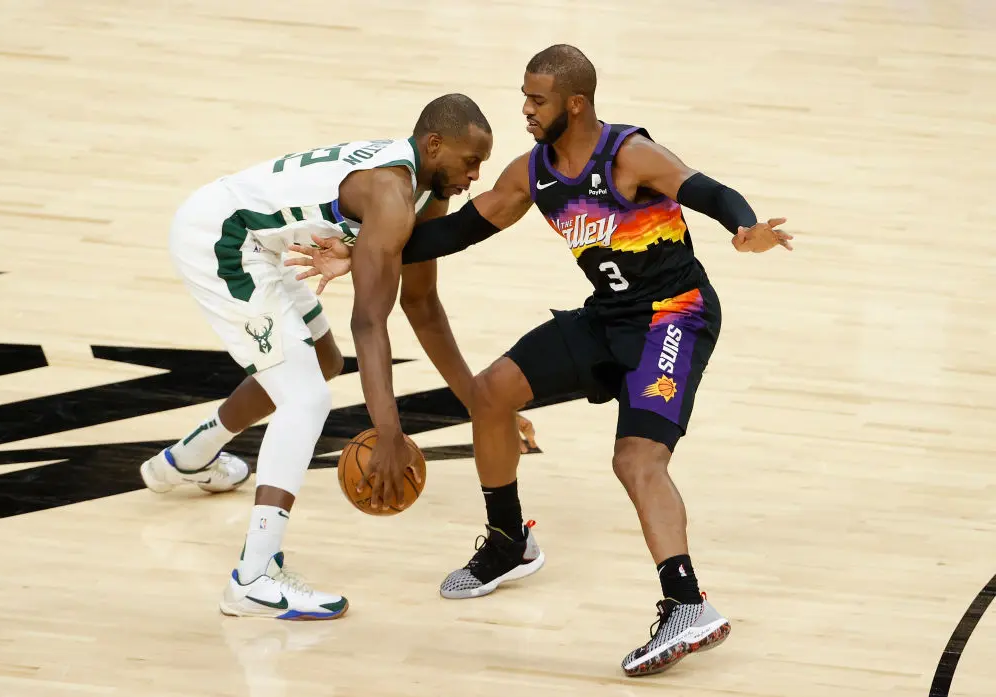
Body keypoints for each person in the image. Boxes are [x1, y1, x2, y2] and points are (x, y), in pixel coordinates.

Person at [286, 45, 793, 673]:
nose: (525, 110)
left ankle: (687, 604)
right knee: (492, 393)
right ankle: (508, 542)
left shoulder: (627, 153)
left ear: (574, 104)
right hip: (608, 317)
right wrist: (362, 246)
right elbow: (460, 230)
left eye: (537, 99)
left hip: (674, 315)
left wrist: (745, 229)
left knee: (636, 459)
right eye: (525, 96)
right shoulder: (533, 172)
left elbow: (708, 189)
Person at [139, 93, 537, 621]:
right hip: (223, 240)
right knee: (305, 397)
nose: (474, 176)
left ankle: (187, 459)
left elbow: (422, 305)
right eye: (470, 162)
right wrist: (388, 432)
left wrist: (480, 404)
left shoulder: (426, 191)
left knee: (320, 362)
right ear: (434, 145)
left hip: (270, 244)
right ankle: (255, 577)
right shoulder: (391, 194)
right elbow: (369, 322)